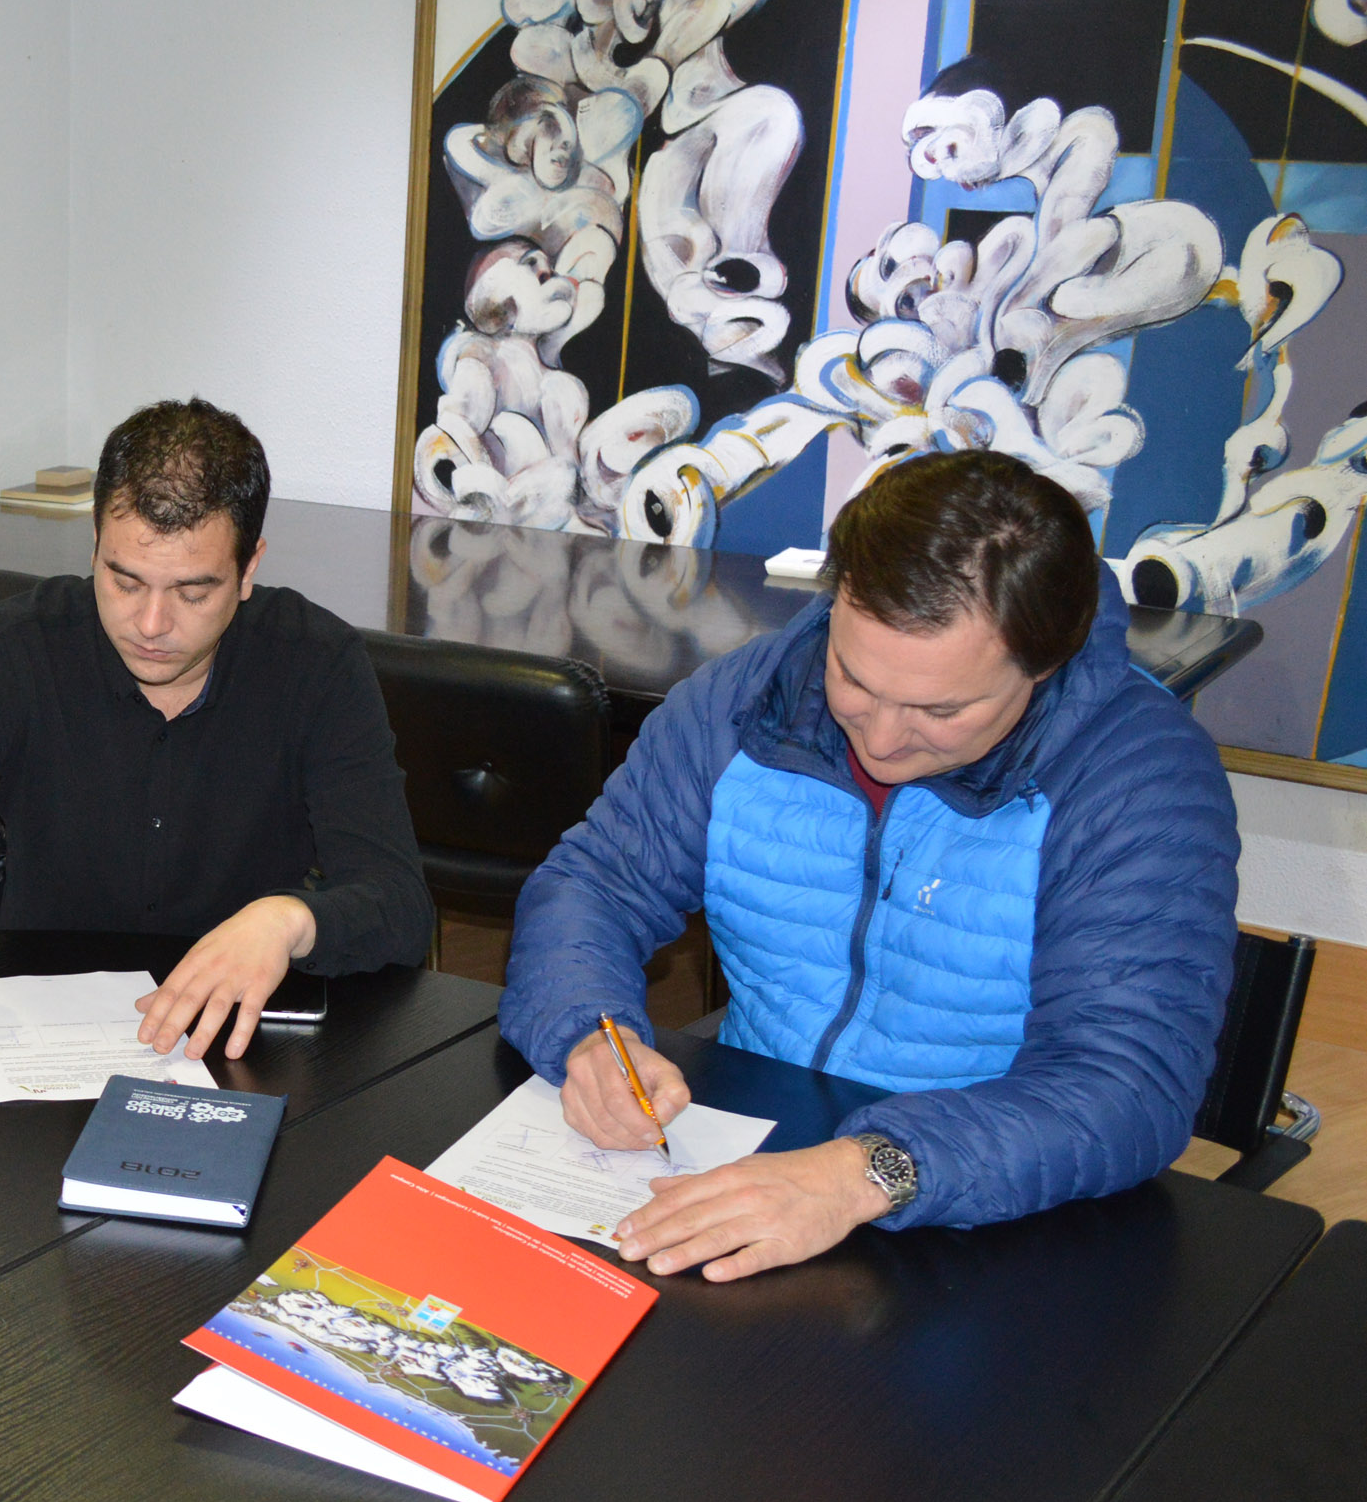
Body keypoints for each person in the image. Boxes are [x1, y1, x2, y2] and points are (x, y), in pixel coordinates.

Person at [502, 450, 1241, 1281]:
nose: (881, 739)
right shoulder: (745, 700)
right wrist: (589, 1031)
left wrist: (867, 1171)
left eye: (941, 709)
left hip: (995, 1198)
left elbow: (1125, 1085)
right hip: (753, 1139)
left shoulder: (1138, 780)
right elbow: (596, 883)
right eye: (852, 677)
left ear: (1045, 663)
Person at [0, 397, 437, 1059]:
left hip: (238, 1041)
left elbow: (399, 906)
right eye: (123, 581)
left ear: (248, 569)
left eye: (192, 592)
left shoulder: (316, 663)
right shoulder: (14, 647)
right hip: (38, 1038)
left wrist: (289, 921)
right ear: (94, 544)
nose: (150, 625)